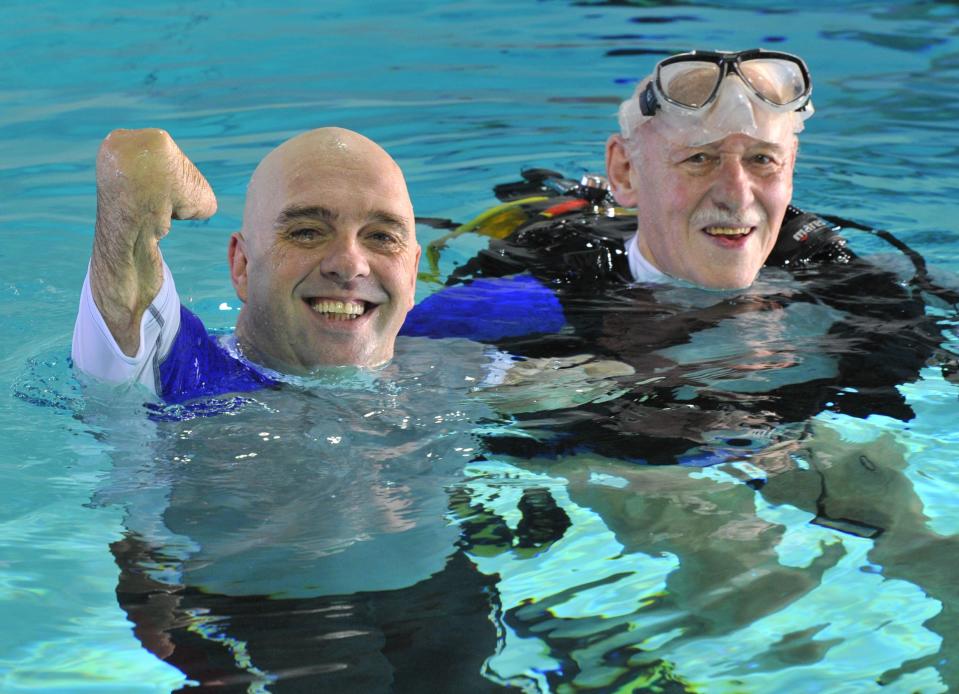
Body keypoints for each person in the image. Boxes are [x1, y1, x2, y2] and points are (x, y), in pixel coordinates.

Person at [72, 126, 422, 402]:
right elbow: (136, 161)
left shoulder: (458, 354)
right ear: (242, 265)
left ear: (412, 276)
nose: (349, 265)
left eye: (381, 237)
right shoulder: (174, 371)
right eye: (307, 232)